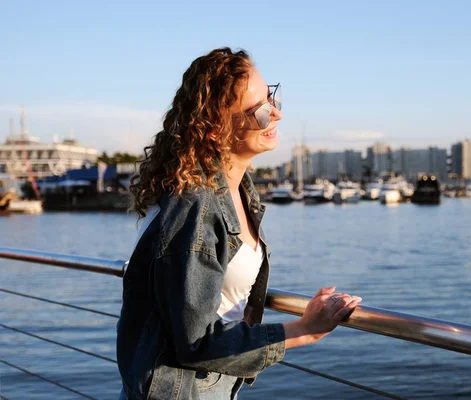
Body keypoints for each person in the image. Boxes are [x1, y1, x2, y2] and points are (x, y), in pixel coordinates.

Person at [117, 48, 362, 400]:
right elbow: (197, 341)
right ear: (215, 130)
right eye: (259, 111)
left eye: (271, 98)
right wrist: (305, 328)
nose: (275, 113)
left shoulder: (238, 191)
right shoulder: (196, 205)